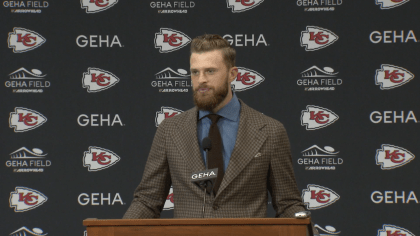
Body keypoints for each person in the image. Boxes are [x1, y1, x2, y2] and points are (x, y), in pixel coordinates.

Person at [123, 35, 315, 232]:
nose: (201, 80)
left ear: (233, 74)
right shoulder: (170, 131)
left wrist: (306, 230)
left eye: (210, 71)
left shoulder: (270, 131)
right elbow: (147, 201)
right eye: (195, 72)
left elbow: (287, 204)